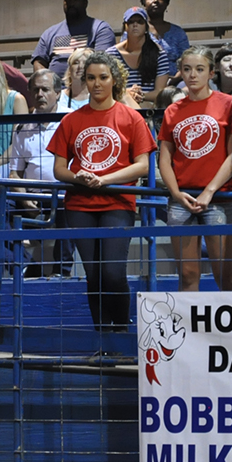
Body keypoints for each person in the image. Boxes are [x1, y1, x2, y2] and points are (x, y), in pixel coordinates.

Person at [48, 52, 156, 330]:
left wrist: (105, 179)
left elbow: (143, 166)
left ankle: (120, 331)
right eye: (91, 78)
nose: (97, 83)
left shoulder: (131, 118)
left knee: (112, 271)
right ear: (84, 80)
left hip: (117, 202)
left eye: (103, 77)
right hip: (80, 204)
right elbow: (59, 169)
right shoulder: (71, 120)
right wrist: (80, 178)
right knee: (93, 275)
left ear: (115, 80)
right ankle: (103, 339)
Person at [158, 46, 232, 291]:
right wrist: (176, 193)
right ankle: (187, 330)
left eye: (199, 69)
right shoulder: (172, 111)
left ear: (211, 73)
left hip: (219, 197)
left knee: (226, 275)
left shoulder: (229, 104)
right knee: (188, 276)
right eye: (187, 69)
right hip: (182, 199)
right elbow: (164, 159)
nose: (192, 75)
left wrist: (209, 191)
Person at [0, 70, 75, 278]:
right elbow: (14, 173)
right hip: (31, 195)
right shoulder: (22, 126)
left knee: (71, 205)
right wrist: (23, 197)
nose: (40, 94)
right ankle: (25, 265)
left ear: (57, 93)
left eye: (45, 90)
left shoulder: (72, 120)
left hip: (65, 193)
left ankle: (61, 272)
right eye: (35, 90)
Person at [32, 0, 115, 77]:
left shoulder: (100, 29)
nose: (71, 3)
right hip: (56, 89)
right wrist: (48, 83)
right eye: (68, 0)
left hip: (87, 88)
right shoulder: (50, 33)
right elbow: (39, 62)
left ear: (85, 3)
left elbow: (101, 63)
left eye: (75, 0)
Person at [106, 7, 169, 108]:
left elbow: (160, 92)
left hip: (150, 104)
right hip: (120, 102)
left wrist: (140, 95)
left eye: (140, 22)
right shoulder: (111, 54)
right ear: (125, 27)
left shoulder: (159, 53)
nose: (135, 25)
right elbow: (107, 87)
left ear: (146, 27)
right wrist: (127, 93)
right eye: (131, 22)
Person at [139, 0, 190, 77]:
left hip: (175, 81)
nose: (155, 1)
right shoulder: (136, 30)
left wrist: (175, 79)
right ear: (144, 4)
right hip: (144, 81)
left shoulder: (178, 33)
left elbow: (187, 61)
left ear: (166, 3)